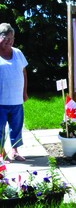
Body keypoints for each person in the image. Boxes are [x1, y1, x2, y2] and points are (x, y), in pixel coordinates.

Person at [0, 23, 28, 162]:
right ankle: (1, 153)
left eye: (12, 38)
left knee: (16, 128)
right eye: (6, 38)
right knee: (0, 130)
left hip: (16, 100)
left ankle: (15, 151)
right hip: (1, 101)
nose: (10, 41)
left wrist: (24, 92)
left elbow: (23, 72)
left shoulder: (17, 52)